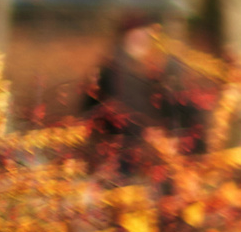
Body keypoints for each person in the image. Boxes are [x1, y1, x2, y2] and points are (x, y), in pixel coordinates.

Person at [79, 13, 206, 170]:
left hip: (159, 154)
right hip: (123, 153)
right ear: (125, 38)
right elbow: (96, 113)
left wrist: (175, 136)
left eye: (146, 36)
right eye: (136, 36)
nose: (142, 41)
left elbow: (183, 110)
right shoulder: (111, 73)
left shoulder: (166, 70)